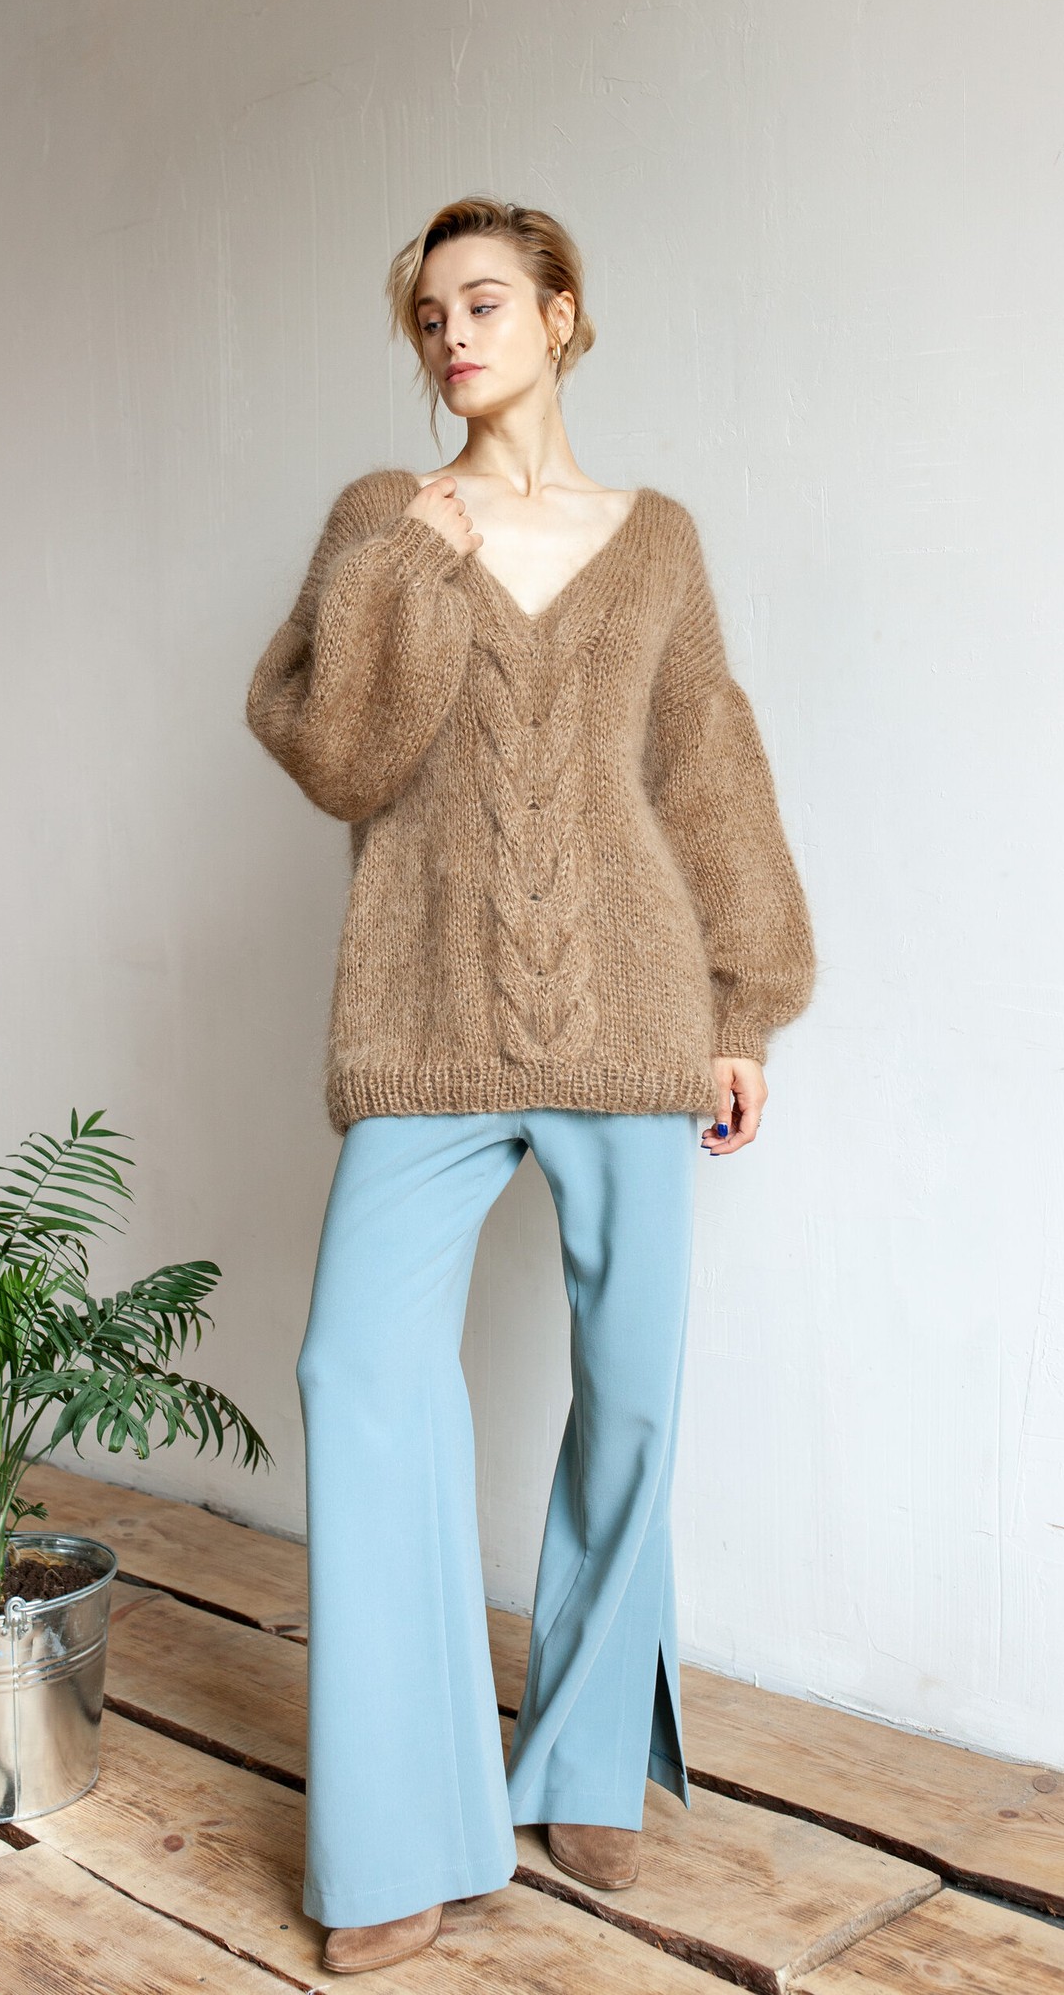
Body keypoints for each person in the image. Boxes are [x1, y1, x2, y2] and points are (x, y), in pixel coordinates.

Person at [244, 194, 817, 1976]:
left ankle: (581, 1758)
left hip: (633, 1014)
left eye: (483, 303)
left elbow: (705, 765)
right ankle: (399, 1825)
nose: (451, 338)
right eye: (428, 316)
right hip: (423, 1015)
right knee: (355, 1369)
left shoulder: (655, 541)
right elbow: (334, 753)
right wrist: (404, 569)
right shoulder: (381, 518)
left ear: (561, 316)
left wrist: (740, 1004)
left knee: (629, 1396)